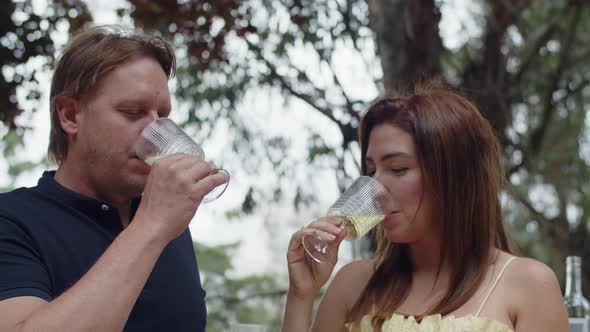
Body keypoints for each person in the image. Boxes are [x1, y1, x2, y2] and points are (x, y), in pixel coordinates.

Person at [282, 84, 569, 331]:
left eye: (397, 168)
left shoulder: (528, 285)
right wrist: (300, 295)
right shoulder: (353, 284)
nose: (376, 185)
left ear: (454, 177)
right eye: (371, 170)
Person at [0, 25, 227, 331]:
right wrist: (151, 226)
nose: (155, 131)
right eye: (133, 112)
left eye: (162, 115)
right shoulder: (12, 220)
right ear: (69, 115)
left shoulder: (168, 227)